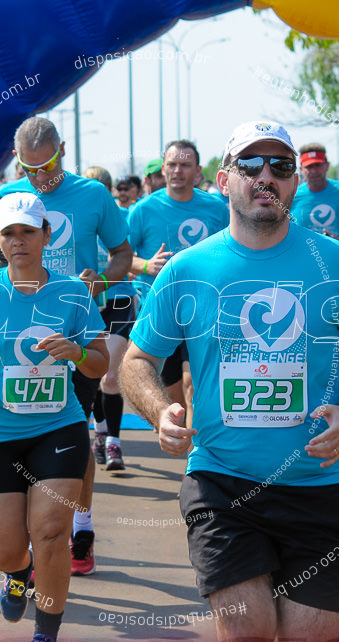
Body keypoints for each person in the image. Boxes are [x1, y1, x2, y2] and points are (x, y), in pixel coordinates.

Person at [121, 121, 339, 642]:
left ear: (297, 183)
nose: (265, 176)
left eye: (280, 166)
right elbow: (135, 363)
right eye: (250, 165)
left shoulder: (337, 263)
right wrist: (160, 411)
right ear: (224, 180)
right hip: (223, 485)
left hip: (321, 487)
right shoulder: (186, 270)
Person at [0, 192, 108, 642]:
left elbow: (102, 363)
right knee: (3, 548)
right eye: (8, 233)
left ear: (46, 236)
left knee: (50, 532)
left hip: (57, 427)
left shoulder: (73, 293)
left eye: (27, 231)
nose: (18, 241)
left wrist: (77, 353)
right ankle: (18, 574)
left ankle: (46, 637)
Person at [0, 116, 134, 574]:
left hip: (74, 329)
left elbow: (123, 254)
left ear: (64, 150)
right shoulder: (6, 197)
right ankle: (31, 530)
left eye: (47, 165)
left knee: (73, 432)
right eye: (28, 168)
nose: (39, 177)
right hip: (17, 334)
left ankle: (82, 528)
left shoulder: (92, 195)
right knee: (23, 429)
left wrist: (103, 280)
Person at [128, 140, 228, 429]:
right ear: (163, 168)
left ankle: (197, 461)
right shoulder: (143, 210)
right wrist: (146, 265)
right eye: (172, 164)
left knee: (193, 387)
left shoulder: (215, 208)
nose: (178, 170)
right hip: (161, 314)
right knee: (175, 400)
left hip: (205, 311)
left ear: (197, 171)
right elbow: (121, 257)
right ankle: (185, 444)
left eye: (185, 165)